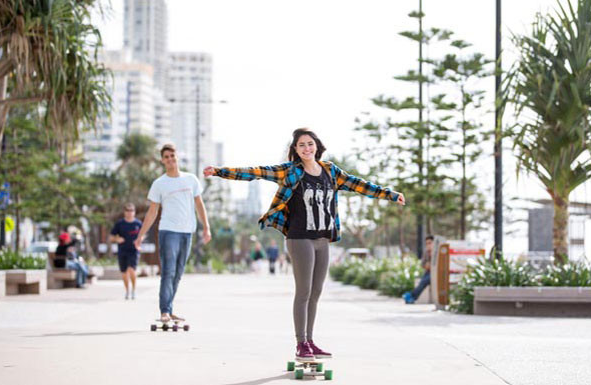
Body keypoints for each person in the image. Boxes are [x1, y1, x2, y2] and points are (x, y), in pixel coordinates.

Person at [204, 127, 405, 362]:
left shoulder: (331, 171)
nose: (306, 148)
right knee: (304, 291)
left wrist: (389, 194)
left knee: (317, 292)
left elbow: (359, 185)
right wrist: (220, 172)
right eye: (301, 145)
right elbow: (255, 172)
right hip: (299, 237)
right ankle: (301, 343)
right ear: (295, 150)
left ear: (317, 146)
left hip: (323, 238)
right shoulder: (290, 171)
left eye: (310, 144)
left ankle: (310, 341)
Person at [134, 143, 212, 324]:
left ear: (177, 157)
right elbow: (152, 212)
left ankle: (169, 308)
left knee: (178, 273)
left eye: (172, 156)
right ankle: (165, 311)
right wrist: (140, 235)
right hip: (168, 231)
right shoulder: (159, 184)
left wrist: (206, 227)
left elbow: (200, 205)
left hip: (187, 232)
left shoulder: (191, 180)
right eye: (166, 157)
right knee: (168, 271)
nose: (170, 159)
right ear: (162, 161)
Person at [110, 202, 143, 300]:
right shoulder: (120, 224)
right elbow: (111, 237)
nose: (129, 213)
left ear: (134, 212)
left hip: (134, 250)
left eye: (131, 210)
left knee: (132, 270)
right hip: (122, 250)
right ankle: (127, 290)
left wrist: (139, 240)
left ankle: (134, 290)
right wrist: (117, 239)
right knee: (124, 273)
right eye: (127, 211)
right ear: (124, 212)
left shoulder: (138, 223)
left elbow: (143, 235)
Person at [403, 235, 434, 304]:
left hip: (436, 274)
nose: (428, 245)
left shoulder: (437, 252)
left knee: (424, 281)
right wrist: (427, 265)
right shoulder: (426, 252)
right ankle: (412, 296)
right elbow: (423, 264)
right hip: (428, 272)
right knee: (422, 282)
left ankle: (411, 295)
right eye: (427, 243)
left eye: (430, 243)